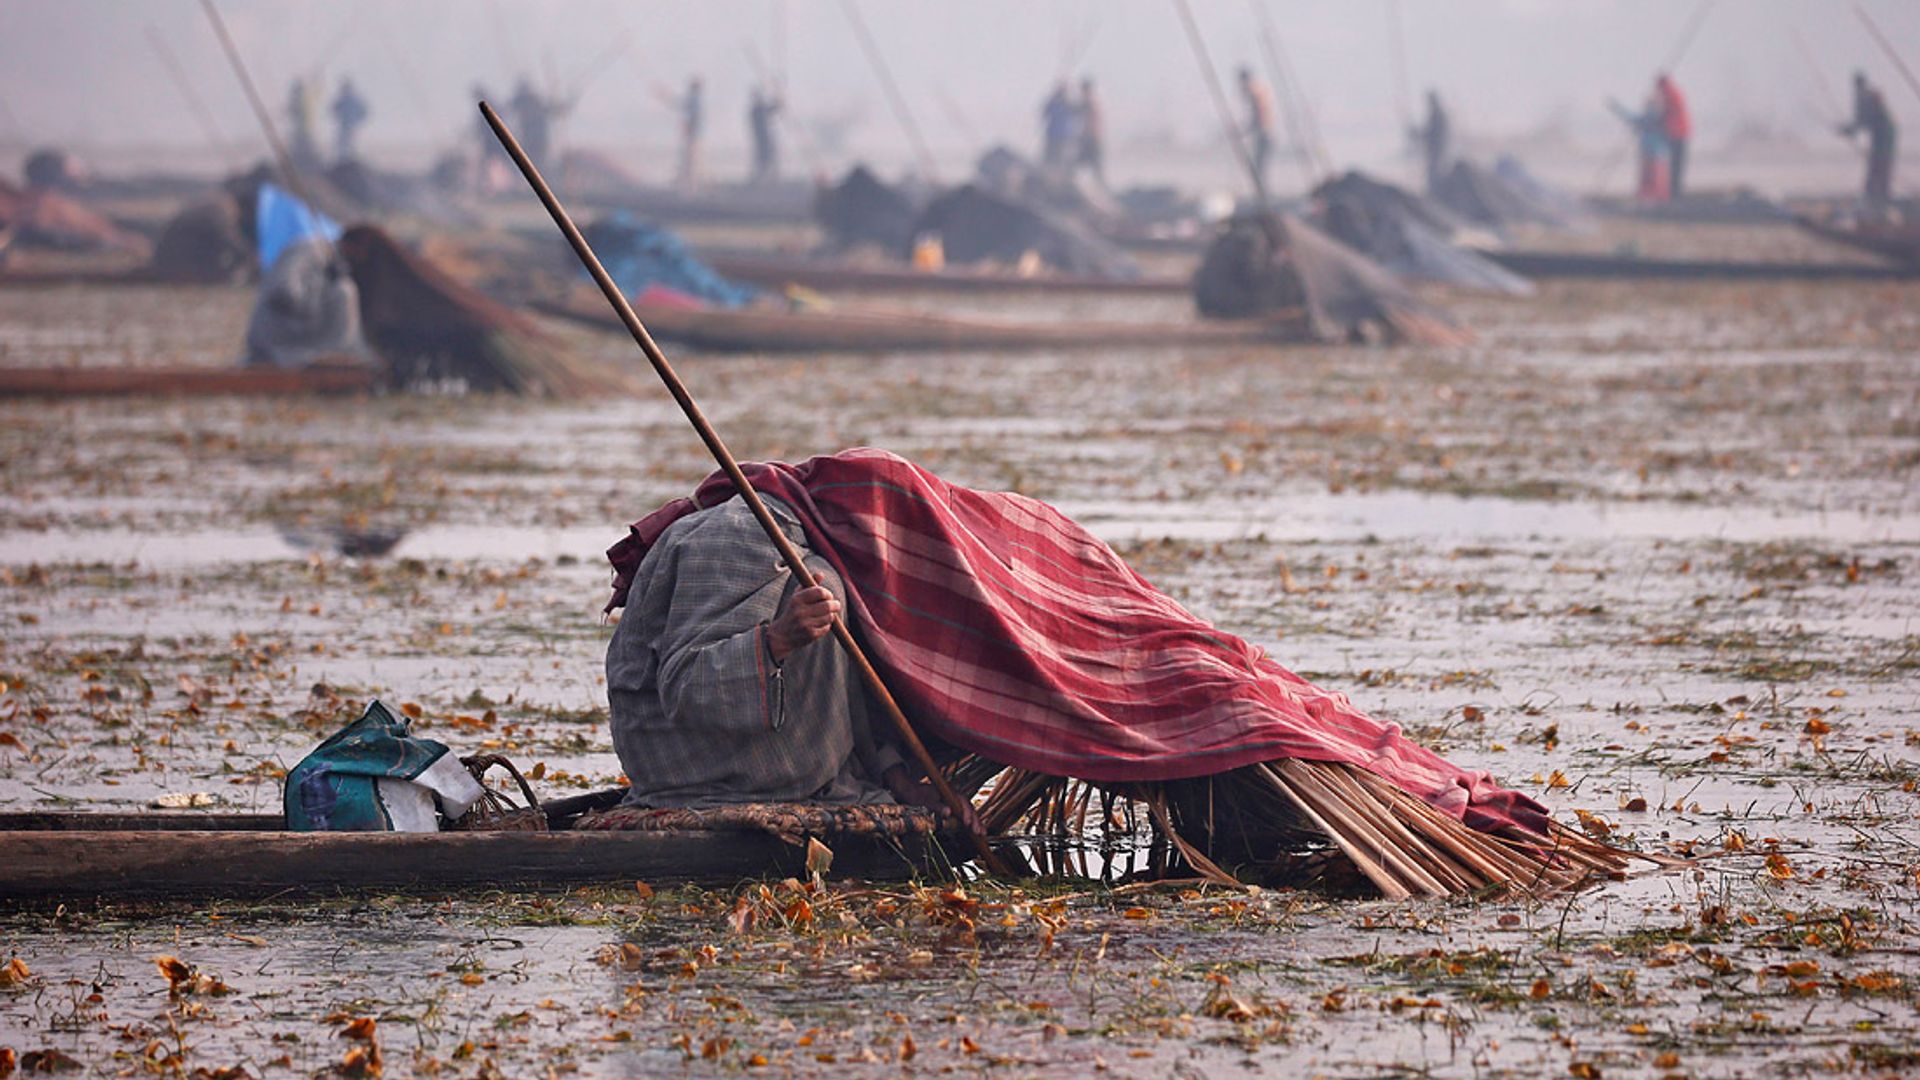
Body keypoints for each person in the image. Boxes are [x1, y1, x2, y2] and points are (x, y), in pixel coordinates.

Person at [604, 492, 954, 814]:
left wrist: (899, 780)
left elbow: (845, 695)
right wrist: (777, 640)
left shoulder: (825, 550)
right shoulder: (737, 537)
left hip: (789, 768)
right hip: (689, 770)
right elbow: (687, 690)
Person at [1842, 71, 1898, 213]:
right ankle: (1877, 201)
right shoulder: (1867, 95)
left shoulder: (1863, 97)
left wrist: (1848, 130)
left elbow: (1861, 121)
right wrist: (1849, 130)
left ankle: (1877, 202)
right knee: (1878, 168)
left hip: (1883, 137)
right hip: (1883, 136)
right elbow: (1863, 121)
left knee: (1878, 168)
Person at [1610, 90, 1671, 204]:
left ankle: (1657, 199)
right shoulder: (1647, 119)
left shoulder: (1660, 119)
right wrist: (1616, 108)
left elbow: (1629, 117)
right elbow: (1629, 117)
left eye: (1652, 104)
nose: (1650, 107)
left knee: (1655, 178)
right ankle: (1649, 198)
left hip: (1657, 153)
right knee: (1647, 178)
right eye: (1649, 104)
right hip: (1649, 152)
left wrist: (1616, 108)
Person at [1238, 67, 1276, 194]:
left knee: (1258, 167)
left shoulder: (1255, 93)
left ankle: (1262, 193)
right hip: (1265, 135)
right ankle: (1262, 192)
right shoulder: (1259, 91)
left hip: (1265, 135)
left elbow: (1259, 118)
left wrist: (1243, 131)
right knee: (1259, 167)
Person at [1655, 73, 1691, 200]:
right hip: (1678, 132)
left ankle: (1675, 192)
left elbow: (1668, 112)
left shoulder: (1670, 94)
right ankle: (1674, 191)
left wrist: (1659, 121)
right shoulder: (1672, 92)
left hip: (1678, 133)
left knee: (1676, 164)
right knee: (1676, 164)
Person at [509, 78, 554, 177]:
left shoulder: (536, 103)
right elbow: (510, 108)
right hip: (529, 139)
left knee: (538, 163)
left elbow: (551, 110)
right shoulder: (522, 101)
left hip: (538, 140)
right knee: (527, 161)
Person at [1413, 89, 1451, 194]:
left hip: (1437, 153)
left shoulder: (1437, 116)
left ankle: (1436, 195)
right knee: (1433, 175)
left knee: (1435, 176)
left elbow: (1431, 134)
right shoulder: (1437, 115)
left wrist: (1418, 135)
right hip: (1435, 152)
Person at [285, 77, 322, 172]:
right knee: (304, 148)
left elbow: (292, 111)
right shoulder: (306, 98)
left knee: (301, 148)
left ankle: (300, 168)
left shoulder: (299, 100)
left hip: (302, 130)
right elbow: (318, 92)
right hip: (305, 130)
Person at [747, 85, 782, 186]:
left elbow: (771, 109)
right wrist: (777, 102)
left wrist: (777, 102)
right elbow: (770, 109)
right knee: (764, 158)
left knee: (765, 158)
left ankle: (766, 177)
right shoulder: (757, 110)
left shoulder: (757, 110)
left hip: (763, 139)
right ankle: (762, 178)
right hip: (763, 140)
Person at [331, 77, 369, 164]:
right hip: (344, 125)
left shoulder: (352, 99)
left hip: (349, 125)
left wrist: (357, 120)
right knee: (343, 143)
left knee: (348, 142)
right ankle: (343, 160)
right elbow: (334, 109)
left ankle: (348, 160)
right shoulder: (343, 99)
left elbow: (363, 111)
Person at [676, 76, 705, 191]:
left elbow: (690, 116)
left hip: (692, 135)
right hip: (694, 135)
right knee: (691, 162)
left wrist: (687, 129)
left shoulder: (694, 99)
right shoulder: (695, 100)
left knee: (690, 162)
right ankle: (690, 187)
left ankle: (690, 189)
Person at [1076, 77, 1106, 186]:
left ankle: (1101, 186)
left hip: (1091, 139)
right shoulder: (1089, 102)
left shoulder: (1089, 103)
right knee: (1083, 165)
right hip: (1090, 138)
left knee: (1095, 166)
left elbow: (1088, 121)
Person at [1040, 81, 1077, 168]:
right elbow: (1045, 113)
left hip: (1061, 136)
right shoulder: (1055, 102)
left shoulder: (1067, 103)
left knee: (1059, 159)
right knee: (1051, 158)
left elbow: (1075, 115)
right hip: (1054, 135)